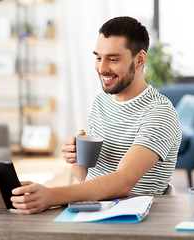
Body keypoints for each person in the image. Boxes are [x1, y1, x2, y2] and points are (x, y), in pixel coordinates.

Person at [11, 16, 181, 214]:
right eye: (98, 57)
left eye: (113, 59)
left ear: (140, 59)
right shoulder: (102, 102)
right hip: (93, 209)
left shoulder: (159, 112)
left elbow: (122, 182)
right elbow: (88, 179)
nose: (102, 68)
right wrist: (75, 158)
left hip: (132, 218)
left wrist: (51, 195)